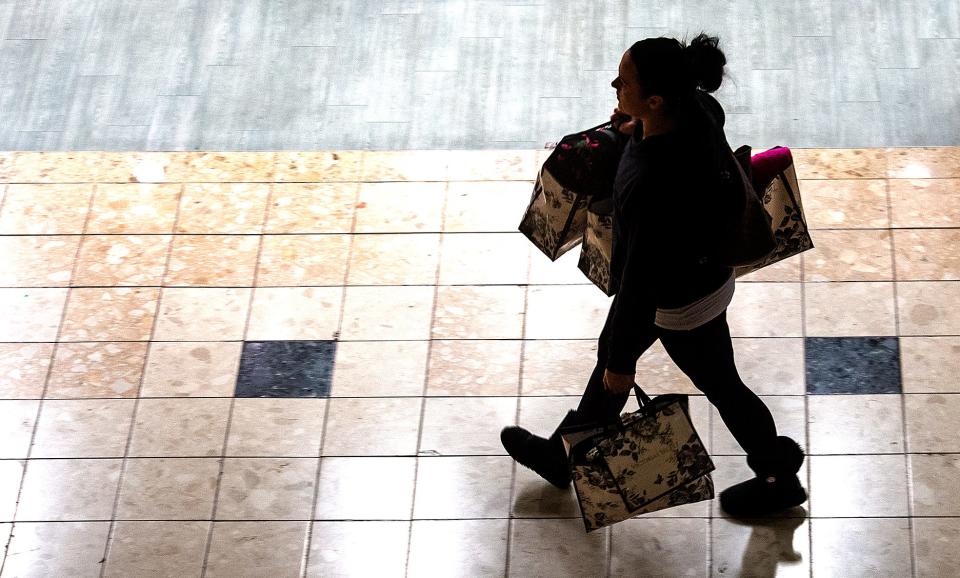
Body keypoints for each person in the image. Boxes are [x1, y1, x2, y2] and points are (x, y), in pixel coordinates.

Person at [501, 33, 807, 517]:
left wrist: (624, 362)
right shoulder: (698, 111)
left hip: (680, 302)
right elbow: (698, 129)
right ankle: (563, 455)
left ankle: (777, 476)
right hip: (700, 275)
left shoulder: (652, 184)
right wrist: (634, 128)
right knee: (614, 359)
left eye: (624, 82)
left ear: (656, 99)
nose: (613, 85)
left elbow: (640, 280)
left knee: (718, 383)